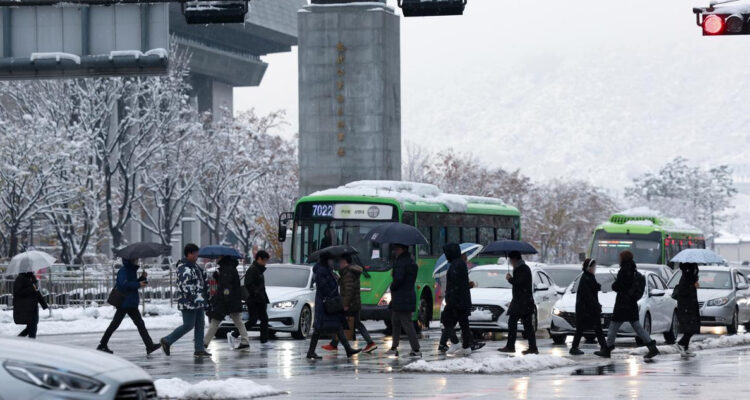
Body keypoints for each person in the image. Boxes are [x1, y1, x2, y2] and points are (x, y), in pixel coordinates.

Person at [595, 251, 659, 359]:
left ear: (623, 258)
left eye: (620, 257)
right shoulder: (633, 270)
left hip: (622, 304)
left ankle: (607, 349)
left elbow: (618, 286)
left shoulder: (624, 270)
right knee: (638, 328)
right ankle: (652, 347)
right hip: (631, 303)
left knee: (613, 327)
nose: (619, 258)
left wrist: (615, 284)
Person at [97, 259, 160, 355]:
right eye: (136, 259)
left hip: (131, 302)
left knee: (139, 324)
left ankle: (149, 345)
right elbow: (124, 285)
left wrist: (142, 278)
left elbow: (132, 283)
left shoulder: (131, 270)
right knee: (115, 324)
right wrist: (138, 283)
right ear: (130, 260)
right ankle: (102, 345)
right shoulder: (123, 271)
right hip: (124, 302)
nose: (137, 261)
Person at [161, 243, 212, 358]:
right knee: (188, 325)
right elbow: (185, 286)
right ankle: (167, 340)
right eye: (195, 254)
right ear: (188, 254)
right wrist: (195, 297)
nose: (197, 256)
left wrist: (206, 297)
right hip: (188, 302)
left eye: (197, 253)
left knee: (200, 324)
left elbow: (203, 282)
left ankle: (199, 349)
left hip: (199, 301)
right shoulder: (184, 268)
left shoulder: (196, 267)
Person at [306, 254, 361, 360]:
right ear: (326, 260)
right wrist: (332, 291)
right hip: (325, 303)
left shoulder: (327, 270)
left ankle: (348, 349)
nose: (333, 261)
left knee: (337, 326)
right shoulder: (322, 271)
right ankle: (311, 352)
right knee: (319, 328)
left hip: (329, 302)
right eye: (331, 259)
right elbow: (323, 287)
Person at [322, 254, 378, 354]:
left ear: (345, 262)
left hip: (351, 304)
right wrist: (338, 279)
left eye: (340, 261)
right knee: (356, 324)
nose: (339, 263)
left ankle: (334, 344)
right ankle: (369, 343)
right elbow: (346, 285)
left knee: (341, 323)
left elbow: (349, 290)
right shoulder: (348, 272)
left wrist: (345, 304)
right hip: (355, 303)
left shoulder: (348, 273)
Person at [439, 243, 485, 355]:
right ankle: (466, 346)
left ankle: (457, 343)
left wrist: (451, 298)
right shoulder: (459, 263)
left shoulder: (456, 265)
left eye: (447, 253)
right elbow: (461, 283)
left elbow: (456, 284)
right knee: (463, 323)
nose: (446, 256)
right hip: (461, 300)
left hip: (456, 300)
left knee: (446, 319)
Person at [204, 256, 250, 350]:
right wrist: (218, 277)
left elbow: (226, 288)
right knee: (237, 321)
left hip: (225, 301)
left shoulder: (227, 269)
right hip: (231, 300)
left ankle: (204, 343)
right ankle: (245, 341)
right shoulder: (229, 268)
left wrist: (225, 300)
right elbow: (227, 284)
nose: (216, 258)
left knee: (215, 321)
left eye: (218, 257)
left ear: (222, 257)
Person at [385, 244, 421, 358]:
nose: (395, 251)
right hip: (404, 296)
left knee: (407, 324)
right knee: (395, 322)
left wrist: (392, 286)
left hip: (402, 297)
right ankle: (394, 347)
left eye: (396, 249)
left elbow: (399, 279)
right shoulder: (410, 261)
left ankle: (416, 349)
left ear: (402, 249)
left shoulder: (401, 262)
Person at [498, 251, 538, 355]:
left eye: (511, 260)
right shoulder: (520, 268)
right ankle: (529, 347)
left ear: (515, 259)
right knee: (523, 325)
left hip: (522, 302)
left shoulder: (523, 269)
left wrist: (510, 279)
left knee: (522, 325)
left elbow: (519, 283)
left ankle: (516, 347)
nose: (510, 262)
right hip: (521, 301)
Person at [569, 259, 607, 356]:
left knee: (590, 328)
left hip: (587, 308)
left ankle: (603, 347)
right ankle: (574, 348)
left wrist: (597, 286)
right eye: (593, 267)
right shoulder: (586, 278)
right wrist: (597, 306)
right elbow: (588, 295)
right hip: (586, 308)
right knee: (587, 328)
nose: (595, 269)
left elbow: (592, 289)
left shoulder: (589, 277)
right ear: (588, 268)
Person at [242, 250, 272, 348]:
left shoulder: (259, 269)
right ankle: (234, 333)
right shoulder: (253, 269)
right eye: (265, 260)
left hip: (259, 299)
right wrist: (256, 293)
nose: (265, 263)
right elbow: (248, 284)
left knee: (263, 319)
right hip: (254, 300)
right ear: (259, 259)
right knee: (254, 321)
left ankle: (264, 341)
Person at [673, 262, 700, 358]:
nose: (697, 272)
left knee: (691, 326)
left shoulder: (689, 276)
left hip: (690, 305)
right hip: (686, 306)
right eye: (696, 270)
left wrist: (694, 283)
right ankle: (680, 344)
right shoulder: (687, 278)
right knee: (691, 327)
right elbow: (684, 292)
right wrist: (693, 285)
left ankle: (686, 348)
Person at [13, 271, 48, 339]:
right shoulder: (20, 278)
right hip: (26, 307)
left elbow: (36, 291)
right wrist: (31, 288)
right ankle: (30, 344)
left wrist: (43, 304)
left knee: (31, 327)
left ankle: (17, 341)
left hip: (33, 307)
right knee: (32, 328)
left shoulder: (32, 278)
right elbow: (17, 292)